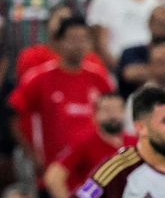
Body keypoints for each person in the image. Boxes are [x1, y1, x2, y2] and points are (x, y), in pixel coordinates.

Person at [9, 18, 115, 169]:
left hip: (93, 168)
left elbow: (114, 115)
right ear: (58, 43)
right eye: (72, 39)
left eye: (84, 39)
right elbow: (14, 116)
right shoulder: (38, 78)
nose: (78, 45)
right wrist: (32, 155)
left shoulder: (99, 77)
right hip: (52, 167)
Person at [45, 93, 134, 198]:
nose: (113, 115)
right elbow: (53, 177)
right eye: (107, 110)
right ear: (95, 115)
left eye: (117, 109)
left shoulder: (136, 142)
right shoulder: (85, 142)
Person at [117, 2, 165, 97]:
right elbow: (130, 74)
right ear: (150, 24)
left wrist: (149, 71)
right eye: (161, 24)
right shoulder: (132, 52)